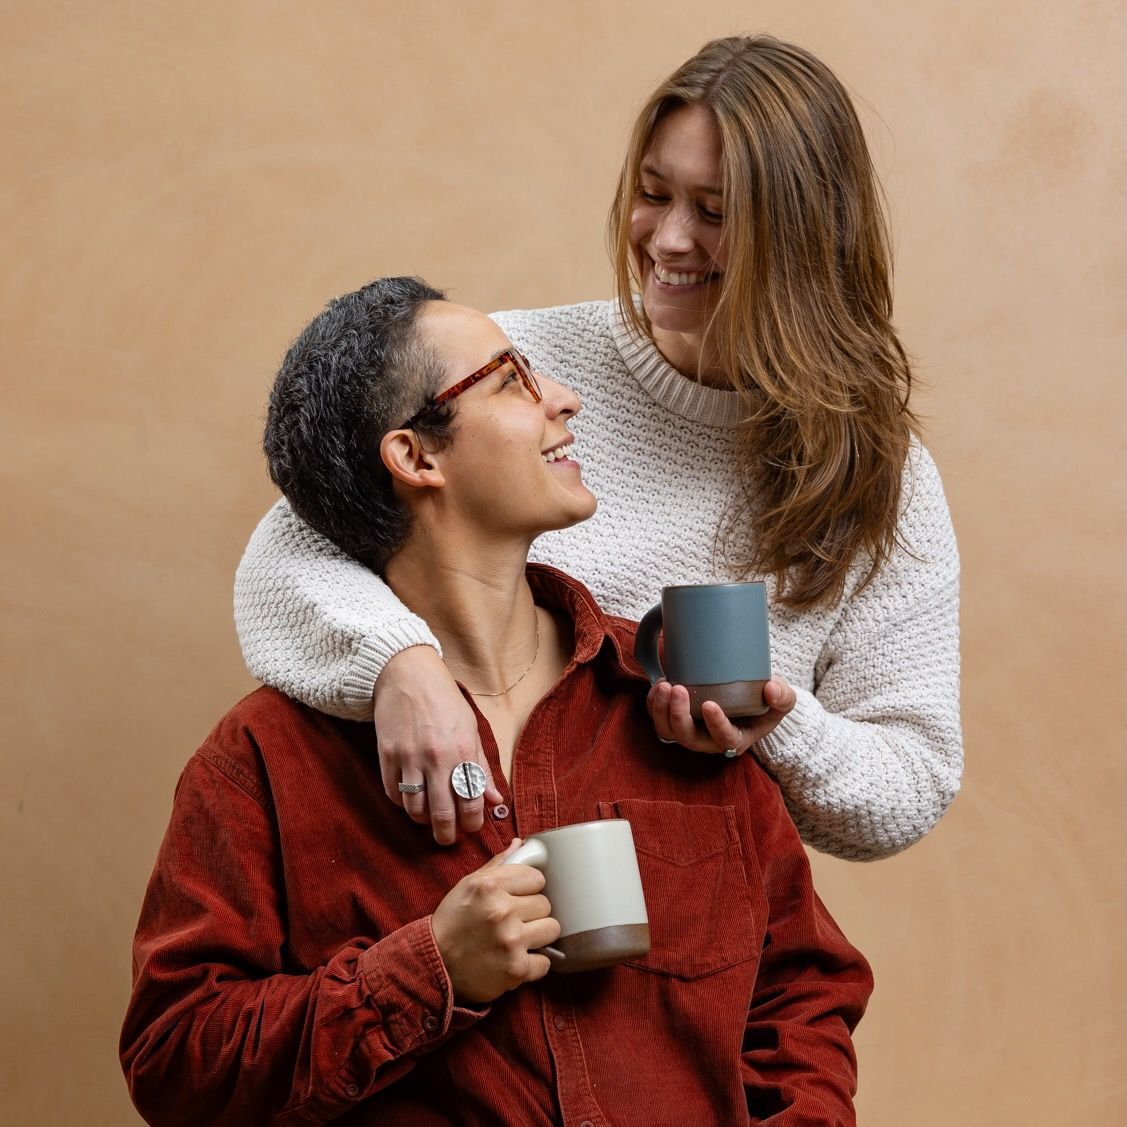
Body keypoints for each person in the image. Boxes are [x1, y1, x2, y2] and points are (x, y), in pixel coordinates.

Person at [121, 277, 873, 1125]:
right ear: (416, 457)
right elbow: (175, 1061)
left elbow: (803, 993)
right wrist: (429, 968)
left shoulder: (673, 702)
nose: (565, 398)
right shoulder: (264, 761)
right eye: (512, 379)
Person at [233, 35, 962, 860]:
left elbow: (912, 782)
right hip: (447, 868)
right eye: (653, 194)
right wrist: (397, 664)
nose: (669, 240)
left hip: (684, 909)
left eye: (716, 212)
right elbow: (285, 551)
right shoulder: (504, 371)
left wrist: (774, 727)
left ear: (803, 233)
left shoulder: (876, 474)